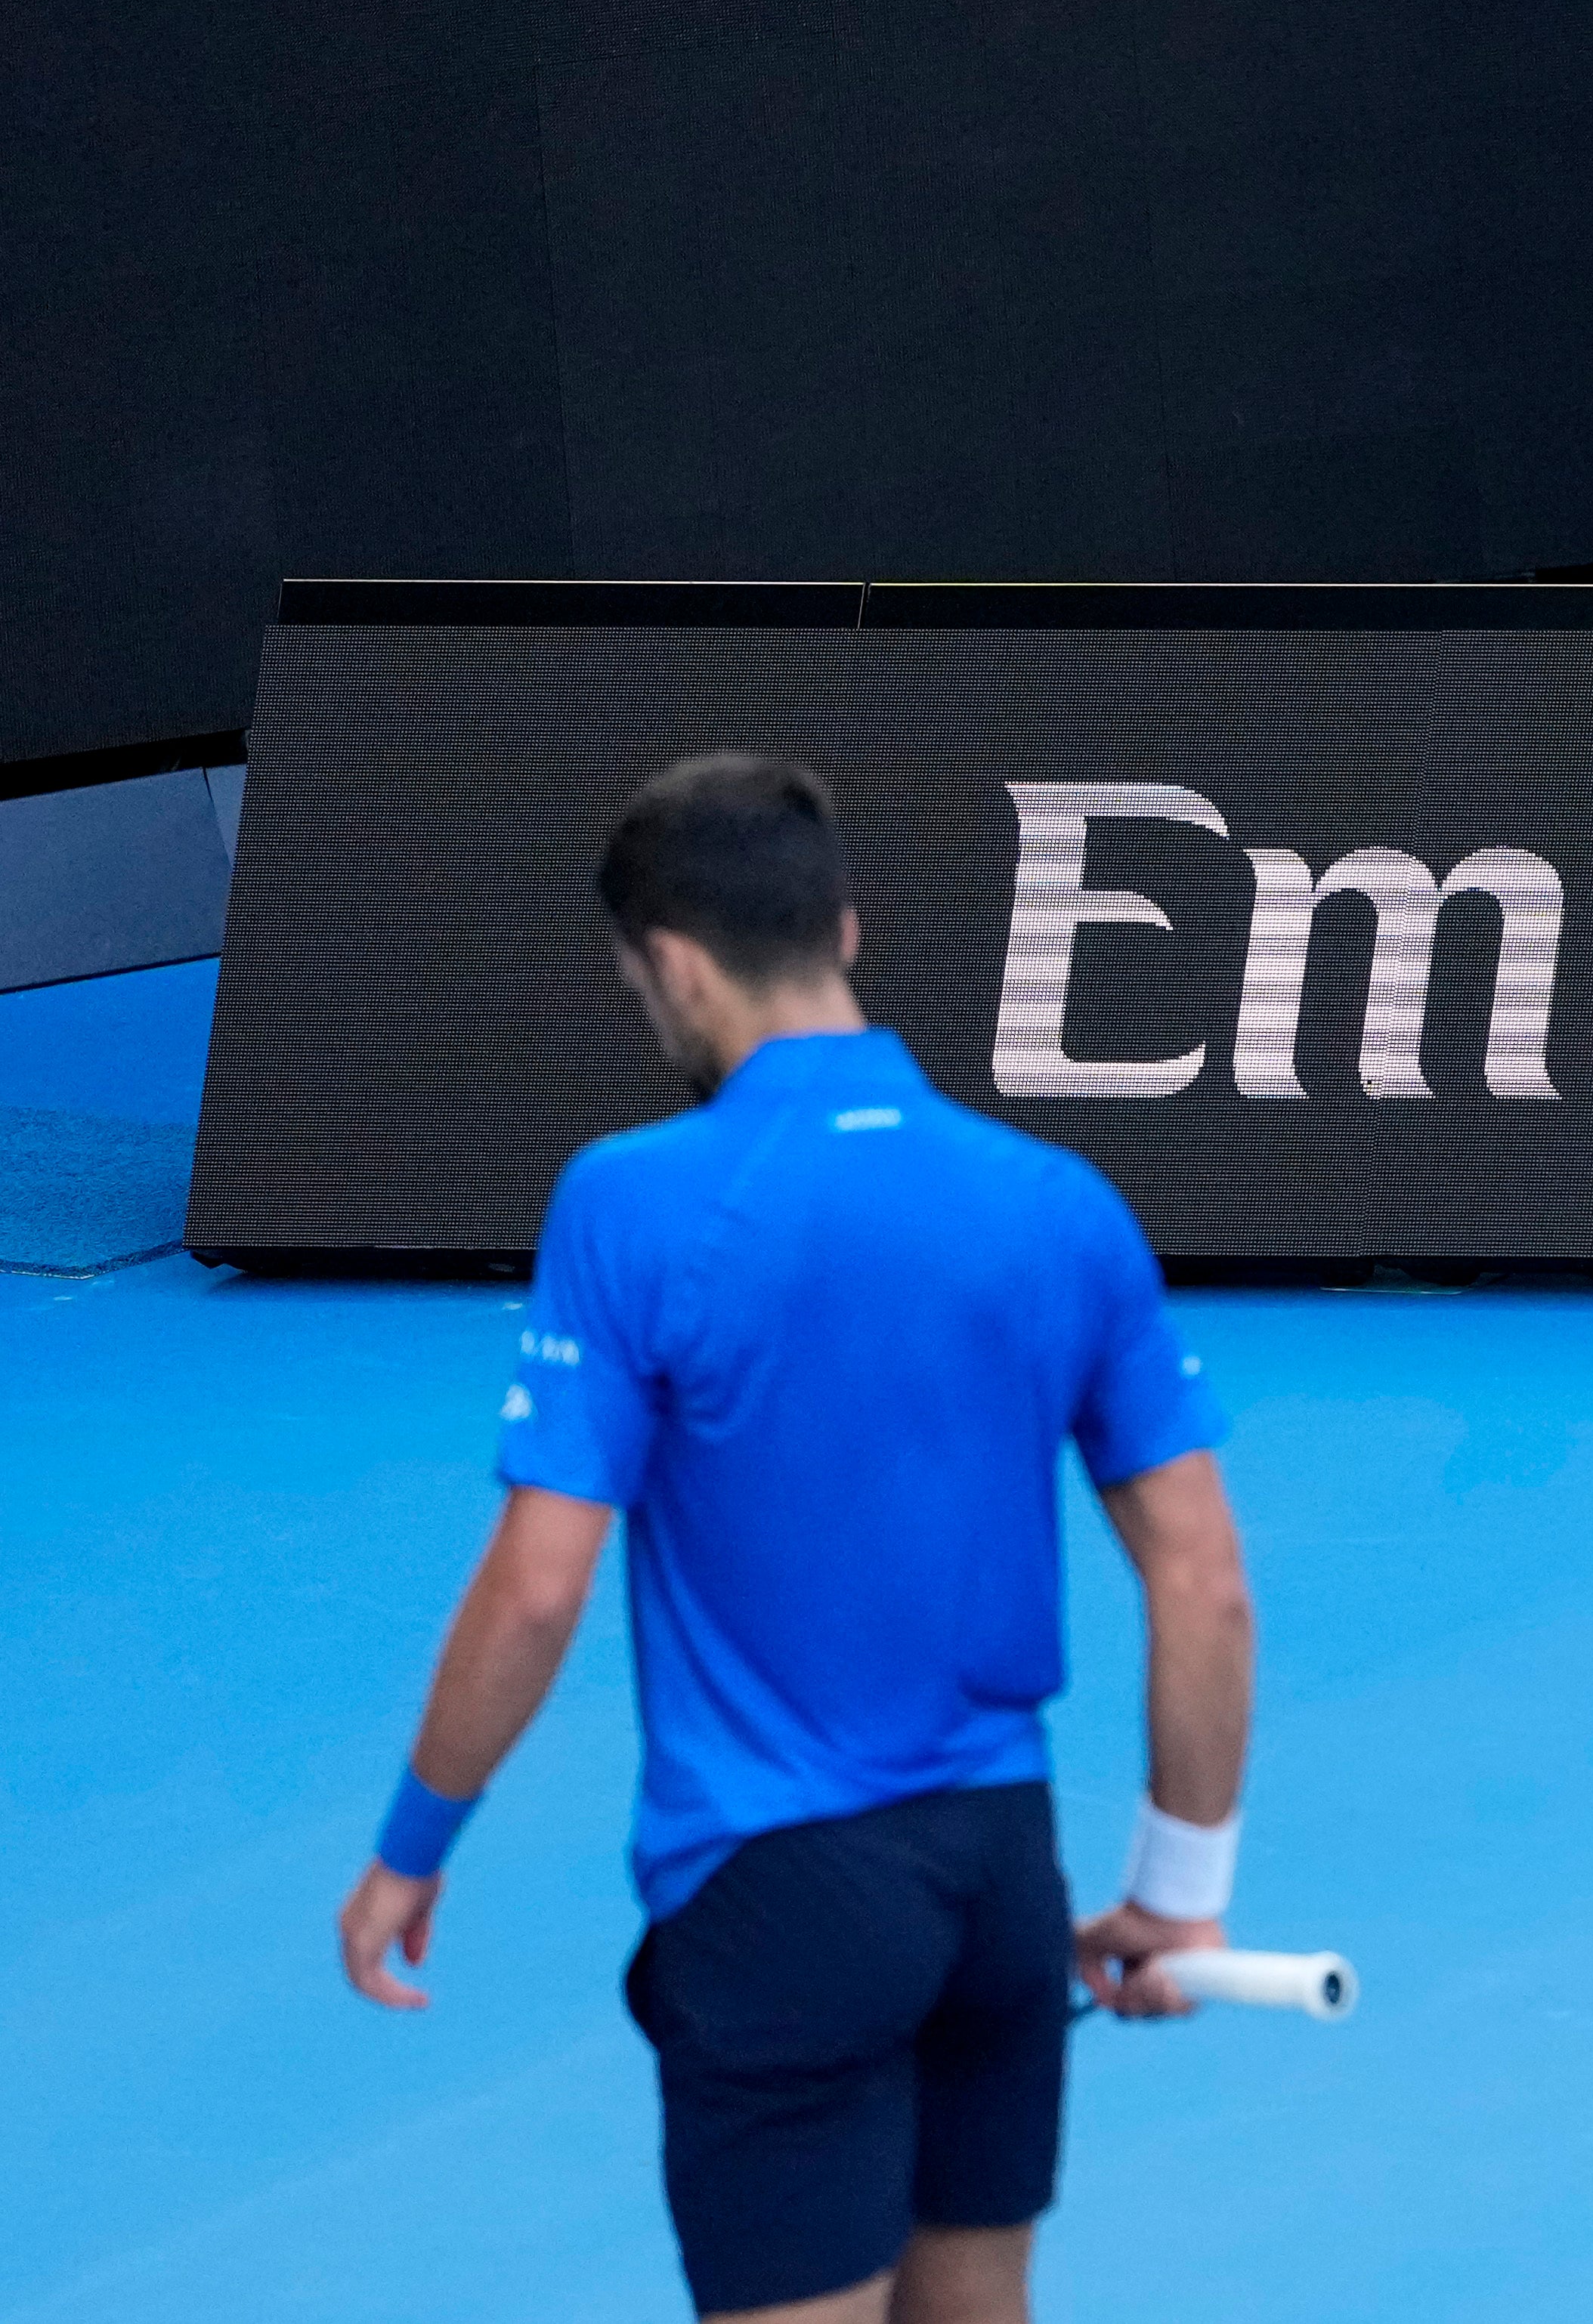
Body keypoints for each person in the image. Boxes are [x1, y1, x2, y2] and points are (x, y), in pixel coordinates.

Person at [335, 754, 1257, 2324]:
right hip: (995, 1883)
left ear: (669, 962)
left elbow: (540, 1586)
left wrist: (410, 1845)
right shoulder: (1060, 1201)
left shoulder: (631, 1200)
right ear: (846, 920)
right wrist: (1179, 1885)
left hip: (778, 1896)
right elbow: (1205, 1582)